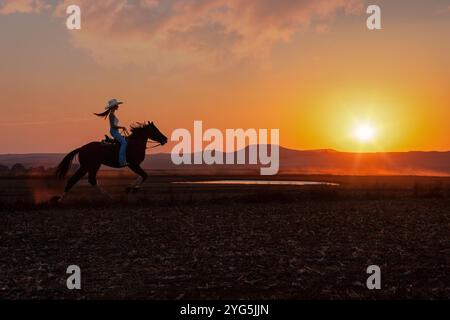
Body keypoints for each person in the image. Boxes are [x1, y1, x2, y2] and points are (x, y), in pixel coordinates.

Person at [95, 99, 129, 166]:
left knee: (124, 141)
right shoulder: (111, 115)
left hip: (116, 131)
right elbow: (113, 126)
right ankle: (122, 161)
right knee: (124, 143)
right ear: (114, 106)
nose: (118, 106)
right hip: (114, 131)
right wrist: (122, 127)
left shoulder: (112, 114)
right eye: (117, 105)